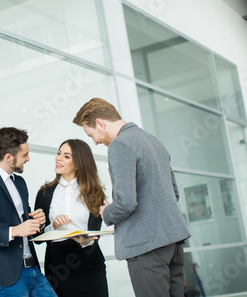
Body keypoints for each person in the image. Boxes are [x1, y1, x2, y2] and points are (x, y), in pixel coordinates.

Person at [73, 98, 191, 297]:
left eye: (92, 134)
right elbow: (174, 193)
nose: (95, 142)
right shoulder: (153, 140)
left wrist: (106, 212)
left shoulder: (119, 145)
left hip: (146, 248)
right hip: (173, 243)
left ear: (100, 123)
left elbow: (126, 202)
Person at [0, 127, 57, 297]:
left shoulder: (20, 182)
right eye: (24, 155)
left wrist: (39, 222)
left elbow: (26, 224)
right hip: (7, 276)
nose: (28, 159)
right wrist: (14, 231)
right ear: (8, 157)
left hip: (33, 270)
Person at [34, 139, 108, 297]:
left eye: (66, 156)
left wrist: (86, 240)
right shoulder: (44, 193)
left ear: (78, 163)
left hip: (89, 262)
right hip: (58, 267)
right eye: (59, 153)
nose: (58, 158)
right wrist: (53, 225)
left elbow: (95, 233)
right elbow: (37, 237)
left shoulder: (94, 193)